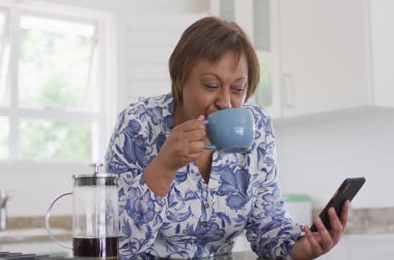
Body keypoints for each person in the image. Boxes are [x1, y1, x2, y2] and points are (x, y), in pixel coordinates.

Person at [105, 16, 349, 259]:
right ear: (180, 79)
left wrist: (299, 248)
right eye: (211, 85)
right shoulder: (138, 125)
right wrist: (164, 167)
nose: (225, 102)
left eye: (238, 89)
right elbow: (115, 245)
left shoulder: (258, 127)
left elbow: (268, 226)